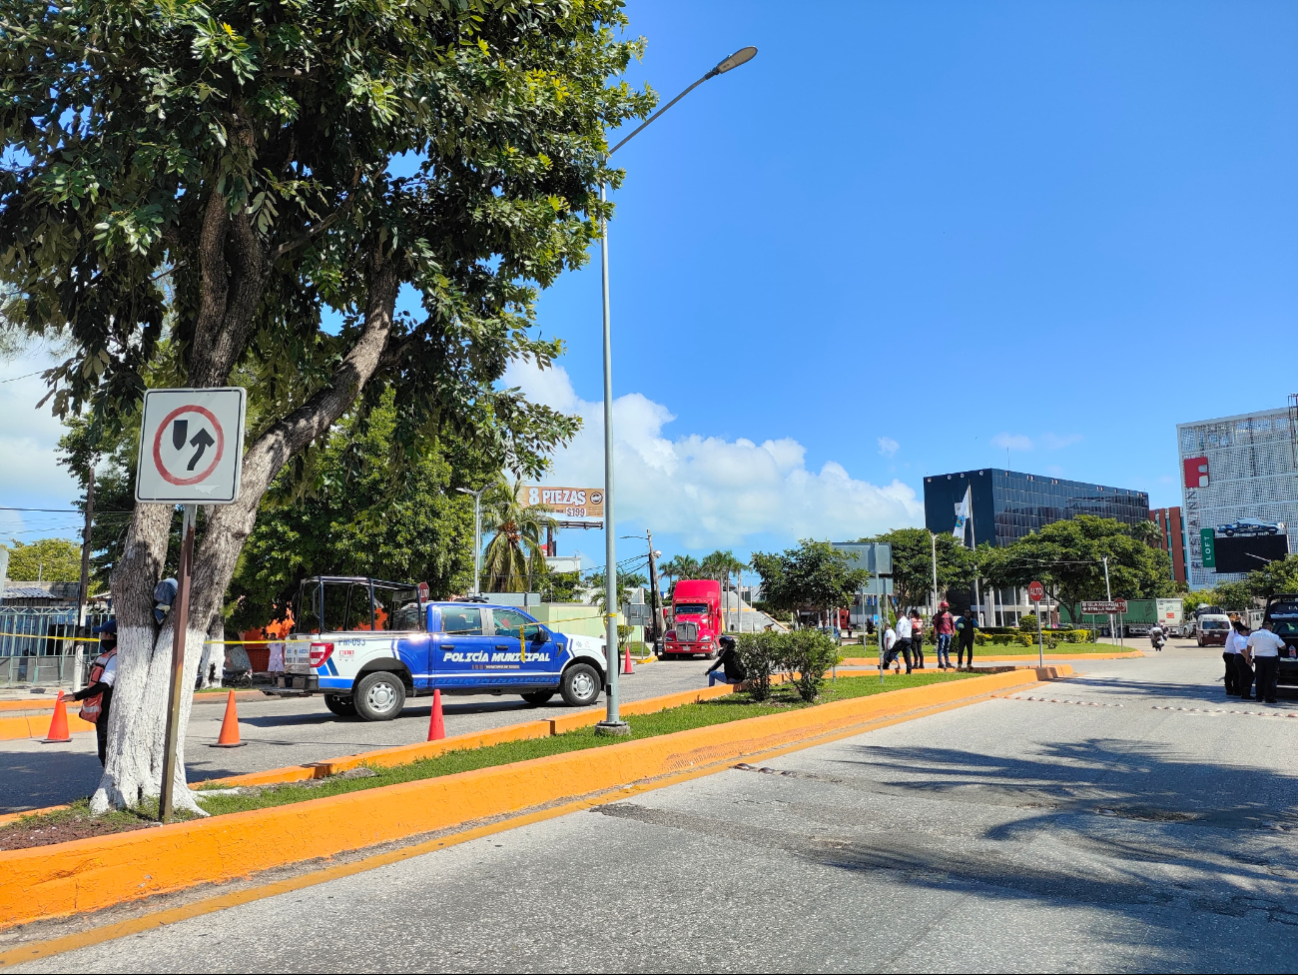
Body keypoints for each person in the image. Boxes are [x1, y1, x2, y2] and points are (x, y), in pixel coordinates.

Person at [71, 620, 118, 766]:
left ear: (110, 636)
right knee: (104, 753)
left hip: (108, 712)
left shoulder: (115, 657)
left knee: (105, 753)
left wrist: (77, 696)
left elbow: (104, 684)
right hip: (103, 713)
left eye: (102, 634)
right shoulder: (108, 655)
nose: (101, 637)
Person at [1245, 619, 1285, 705]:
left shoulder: (1254, 635)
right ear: (1270, 628)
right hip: (1271, 659)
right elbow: (1283, 646)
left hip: (1259, 659)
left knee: (1259, 678)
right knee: (1271, 679)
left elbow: (1248, 646)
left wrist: (1247, 657)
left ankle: (1259, 697)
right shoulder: (1274, 636)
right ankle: (1270, 698)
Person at [1222, 618, 1246, 696]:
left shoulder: (1232, 632)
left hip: (1228, 654)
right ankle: (1236, 690)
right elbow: (1246, 633)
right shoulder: (1234, 633)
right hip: (1230, 655)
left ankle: (1229, 690)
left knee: (1229, 673)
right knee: (1235, 673)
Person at [1232, 619, 1255, 700]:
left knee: (1246, 675)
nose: (1246, 632)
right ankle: (1245, 693)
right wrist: (1248, 659)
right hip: (1242, 657)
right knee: (1247, 676)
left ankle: (1245, 692)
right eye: (1245, 631)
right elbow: (1243, 650)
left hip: (1241, 657)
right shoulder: (1239, 639)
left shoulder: (1241, 637)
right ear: (1241, 631)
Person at [932, 602, 955, 670]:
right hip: (941, 633)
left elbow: (952, 624)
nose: (944, 609)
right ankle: (940, 662)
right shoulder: (938, 615)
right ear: (941, 607)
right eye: (943, 607)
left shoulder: (950, 615)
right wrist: (935, 633)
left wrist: (953, 631)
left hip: (948, 633)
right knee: (941, 647)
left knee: (947, 647)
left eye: (946, 607)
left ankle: (947, 661)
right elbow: (935, 624)